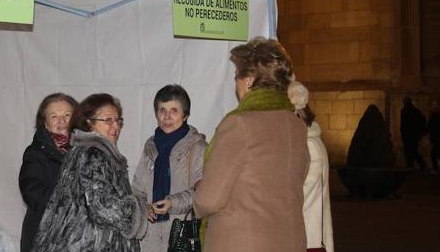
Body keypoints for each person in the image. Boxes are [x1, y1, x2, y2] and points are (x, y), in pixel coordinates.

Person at [194, 37, 309, 252]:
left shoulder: (239, 124)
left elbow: (208, 200)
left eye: (236, 76)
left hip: (244, 242)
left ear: (248, 80)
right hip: (290, 241)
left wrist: (199, 191)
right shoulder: (296, 125)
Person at [31, 93, 146, 252]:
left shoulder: (85, 151)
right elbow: (103, 207)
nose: (115, 126)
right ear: (89, 123)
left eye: (117, 120)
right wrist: (139, 208)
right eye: (107, 120)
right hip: (91, 245)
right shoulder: (93, 155)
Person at [131, 84, 206, 251]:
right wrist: (143, 208)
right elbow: (137, 190)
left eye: (174, 110)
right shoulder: (150, 146)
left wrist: (172, 203)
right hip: (148, 240)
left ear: (185, 115)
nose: (167, 117)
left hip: (181, 237)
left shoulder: (198, 148)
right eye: (162, 110)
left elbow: (203, 193)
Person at [18, 93, 78, 252]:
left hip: (79, 238)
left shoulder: (87, 150)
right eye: (54, 116)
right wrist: (69, 201)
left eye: (67, 115)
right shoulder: (35, 153)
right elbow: (31, 192)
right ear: (45, 123)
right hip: (44, 237)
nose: (62, 121)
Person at [288, 81, 334, 252]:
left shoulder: (310, 145)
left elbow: (304, 191)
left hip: (309, 235)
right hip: (303, 232)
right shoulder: (305, 142)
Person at [400, 96, 427, 170]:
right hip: (414, 135)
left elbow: (403, 124)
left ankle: (411, 165)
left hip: (408, 134)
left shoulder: (404, 111)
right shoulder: (416, 111)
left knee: (408, 151)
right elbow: (422, 121)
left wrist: (402, 134)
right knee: (413, 150)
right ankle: (419, 164)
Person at [427, 101, 440, 172]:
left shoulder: (433, 117)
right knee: (438, 153)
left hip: (436, 137)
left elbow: (429, 127)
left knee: (433, 153)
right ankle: (435, 168)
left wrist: (421, 132)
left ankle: (435, 168)